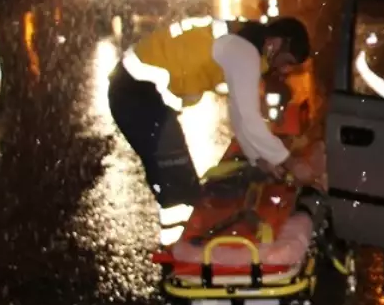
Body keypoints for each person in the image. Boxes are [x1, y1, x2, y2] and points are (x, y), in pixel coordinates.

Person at [107, 15, 315, 237]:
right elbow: (250, 119)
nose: (284, 71)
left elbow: (239, 112)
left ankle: (180, 253)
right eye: (287, 62)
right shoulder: (244, 51)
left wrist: (258, 158)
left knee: (179, 184)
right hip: (137, 92)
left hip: (137, 90)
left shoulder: (242, 40)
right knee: (179, 190)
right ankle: (178, 259)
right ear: (274, 43)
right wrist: (290, 162)